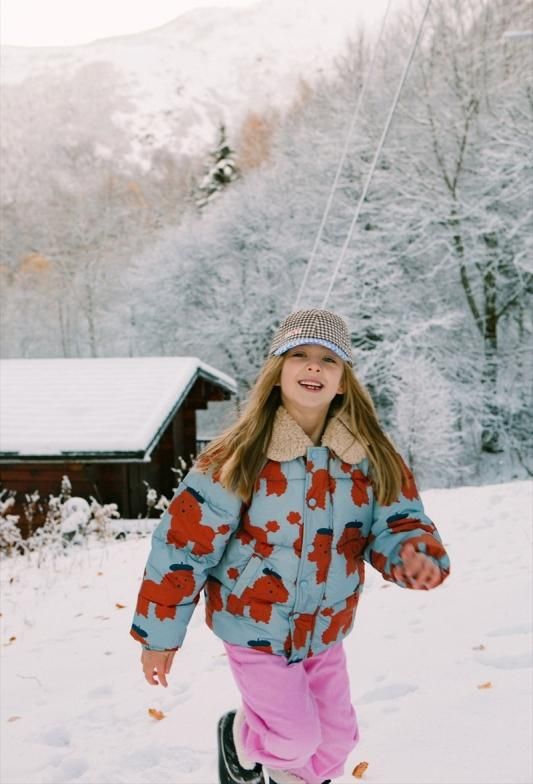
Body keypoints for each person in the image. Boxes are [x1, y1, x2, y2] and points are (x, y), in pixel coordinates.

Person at [130, 308, 450, 784]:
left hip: (325, 626)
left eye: (329, 359)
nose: (313, 366)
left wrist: (412, 554)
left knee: (337, 742)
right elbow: (183, 546)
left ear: (343, 382)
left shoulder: (368, 456)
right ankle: (240, 738)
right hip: (254, 624)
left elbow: (397, 520)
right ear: (277, 372)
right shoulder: (238, 456)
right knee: (292, 739)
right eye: (299, 355)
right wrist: (159, 637)